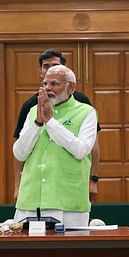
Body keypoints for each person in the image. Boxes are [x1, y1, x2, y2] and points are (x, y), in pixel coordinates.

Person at [13, 65, 97, 227]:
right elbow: (19, 153)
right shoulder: (32, 111)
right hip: (30, 201)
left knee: (68, 252)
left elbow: (80, 150)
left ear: (71, 87)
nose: (47, 88)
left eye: (54, 84)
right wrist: (38, 123)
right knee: (24, 251)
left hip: (68, 202)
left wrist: (50, 122)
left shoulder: (86, 112)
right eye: (45, 84)